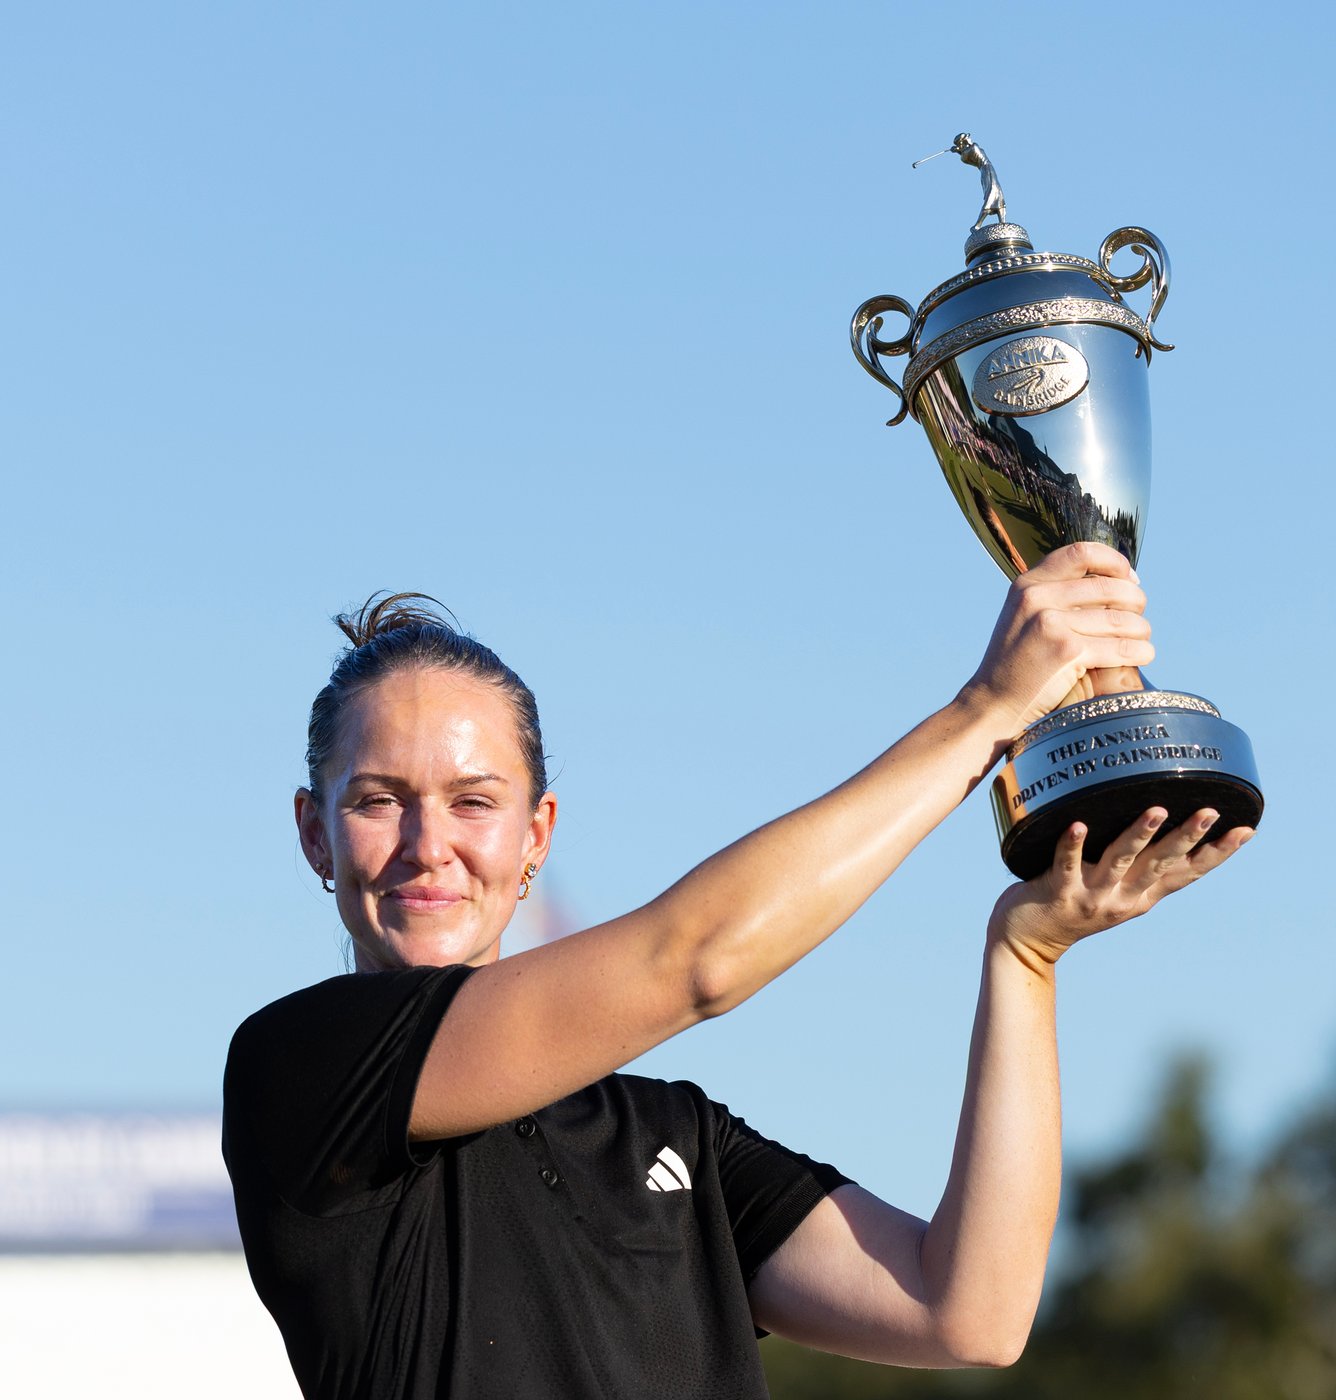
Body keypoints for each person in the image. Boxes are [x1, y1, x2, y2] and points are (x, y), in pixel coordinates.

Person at [223, 544, 1252, 1399]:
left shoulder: (674, 1136)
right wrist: (985, 710)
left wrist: (1025, 954)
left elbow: (969, 1308)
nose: (426, 842)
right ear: (314, 832)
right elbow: (696, 958)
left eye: (473, 799)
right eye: (376, 799)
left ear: (538, 833)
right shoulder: (298, 1066)